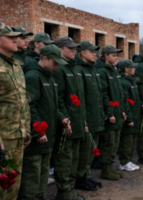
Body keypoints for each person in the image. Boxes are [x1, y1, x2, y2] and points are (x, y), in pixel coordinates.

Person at [19, 44, 69, 200]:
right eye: (55, 63)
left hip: (49, 133)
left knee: (44, 169)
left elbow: (53, 105)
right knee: (33, 170)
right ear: (44, 58)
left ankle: (39, 195)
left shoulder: (50, 76)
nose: (56, 67)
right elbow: (29, 107)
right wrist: (38, 131)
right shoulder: (33, 77)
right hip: (38, 135)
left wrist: (62, 117)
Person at [52, 37, 87, 200]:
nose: (74, 50)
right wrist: (65, 119)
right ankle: (64, 191)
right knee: (65, 159)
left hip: (78, 121)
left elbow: (81, 98)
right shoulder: (59, 69)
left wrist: (83, 120)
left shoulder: (75, 68)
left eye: (75, 48)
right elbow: (58, 98)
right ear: (60, 49)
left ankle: (70, 189)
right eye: (69, 48)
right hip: (67, 122)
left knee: (74, 158)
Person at [0, 23, 30, 200]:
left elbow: (22, 101)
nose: (15, 40)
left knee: (13, 182)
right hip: (4, 138)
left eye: (16, 37)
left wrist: (26, 130)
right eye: (10, 37)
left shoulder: (16, 65)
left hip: (17, 135)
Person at [75, 41, 103, 190]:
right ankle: (80, 179)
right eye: (91, 52)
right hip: (87, 117)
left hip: (96, 116)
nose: (95, 54)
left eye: (95, 52)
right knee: (85, 151)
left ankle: (86, 176)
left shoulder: (93, 69)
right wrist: (83, 118)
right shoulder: (79, 70)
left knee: (91, 150)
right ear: (82, 53)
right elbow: (81, 97)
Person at [96, 45, 126, 178]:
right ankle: (105, 169)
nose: (116, 57)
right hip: (111, 115)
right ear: (106, 55)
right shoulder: (102, 71)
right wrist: (110, 113)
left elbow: (120, 94)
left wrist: (123, 110)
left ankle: (111, 166)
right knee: (108, 142)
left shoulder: (114, 71)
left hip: (118, 112)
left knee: (115, 142)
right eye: (113, 55)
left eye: (117, 55)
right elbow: (104, 94)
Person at [117, 60, 142, 171]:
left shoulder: (132, 81)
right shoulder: (123, 82)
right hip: (130, 116)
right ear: (126, 69)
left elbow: (135, 99)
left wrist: (142, 105)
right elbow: (125, 102)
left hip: (135, 114)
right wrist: (129, 118)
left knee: (132, 140)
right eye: (132, 67)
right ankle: (124, 162)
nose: (134, 69)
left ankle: (128, 160)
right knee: (127, 141)